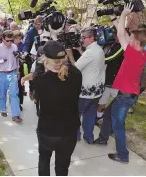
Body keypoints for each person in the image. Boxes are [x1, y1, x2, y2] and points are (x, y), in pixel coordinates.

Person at [94, 4, 146, 163]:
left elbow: (120, 34)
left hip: (125, 97)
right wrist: (114, 18)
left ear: (137, 42)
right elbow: (123, 34)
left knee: (118, 126)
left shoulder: (133, 54)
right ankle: (103, 139)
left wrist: (124, 14)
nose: (129, 38)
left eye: (132, 38)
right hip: (126, 95)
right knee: (107, 114)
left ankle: (123, 155)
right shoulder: (143, 53)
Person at [34, 41, 82, 176]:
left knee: (44, 161)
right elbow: (72, 68)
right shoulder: (76, 76)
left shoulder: (40, 79)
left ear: (44, 59)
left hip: (47, 132)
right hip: (69, 132)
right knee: (62, 168)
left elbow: (37, 70)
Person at [67, 26, 106, 144]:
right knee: (90, 114)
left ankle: (76, 135)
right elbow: (89, 59)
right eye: (81, 37)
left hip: (86, 92)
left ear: (92, 38)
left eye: (84, 37)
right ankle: (88, 137)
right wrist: (80, 50)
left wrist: (69, 54)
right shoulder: (99, 49)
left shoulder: (89, 53)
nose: (81, 40)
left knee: (76, 114)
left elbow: (75, 68)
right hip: (97, 91)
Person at [0, 30, 22, 122]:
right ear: (2, 39)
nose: (9, 43)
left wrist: (18, 71)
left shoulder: (15, 47)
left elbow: (16, 60)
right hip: (1, 74)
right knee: (2, 93)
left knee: (14, 94)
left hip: (12, 73)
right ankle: (2, 109)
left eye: (11, 40)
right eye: (7, 40)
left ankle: (16, 115)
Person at [13, 30, 26, 111]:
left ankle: (19, 103)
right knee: (14, 87)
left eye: (20, 38)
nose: (19, 40)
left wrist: (23, 55)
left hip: (20, 67)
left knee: (20, 85)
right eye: (17, 38)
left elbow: (24, 50)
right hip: (13, 68)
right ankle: (15, 102)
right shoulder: (10, 46)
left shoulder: (21, 45)